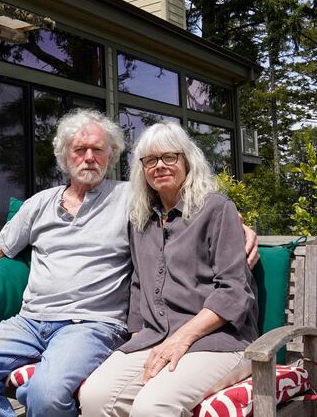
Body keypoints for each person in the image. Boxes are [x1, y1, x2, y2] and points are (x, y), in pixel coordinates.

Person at [0, 110, 257, 417]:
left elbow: (191, 202)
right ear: (64, 156)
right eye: (80, 149)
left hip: (91, 325)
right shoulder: (39, 204)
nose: (89, 157)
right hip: (30, 320)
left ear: (111, 156)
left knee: (47, 393)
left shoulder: (132, 198)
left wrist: (240, 226)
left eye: (98, 150)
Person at [80, 122, 259, 417]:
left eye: (169, 157)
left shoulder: (216, 209)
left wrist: (182, 337)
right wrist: (138, 337)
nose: (159, 166)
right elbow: (139, 285)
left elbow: (234, 290)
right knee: (95, 396)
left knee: (152, 407)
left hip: (220, 342)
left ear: (187, 160)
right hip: (156, 337)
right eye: (150, 160)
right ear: (142, 170)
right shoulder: (140, 218)